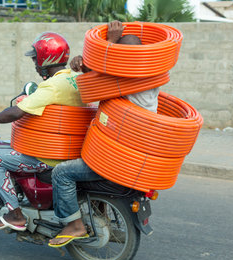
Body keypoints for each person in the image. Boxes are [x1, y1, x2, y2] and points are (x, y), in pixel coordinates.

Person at [48, 20, 159, 247]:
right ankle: (100, 216)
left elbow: (95, 86)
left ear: (130, 58)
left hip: (119, 159)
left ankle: (75, 225)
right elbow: (102, 76)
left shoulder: (130, 78)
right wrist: (84, 63)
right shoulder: (149, 75)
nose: (119, 58)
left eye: (122, 53)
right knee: (89, 156)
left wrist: (109, 42)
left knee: (61, 173)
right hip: (129, 155)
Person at [0, 32, 85, 231]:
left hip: (49, 158)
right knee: (6, 147)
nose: (34, 62)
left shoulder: (53, 86)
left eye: (35, 57)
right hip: (70, 151)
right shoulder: (75, 78)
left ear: (45, 57)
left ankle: (15, 215)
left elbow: (16, 112)